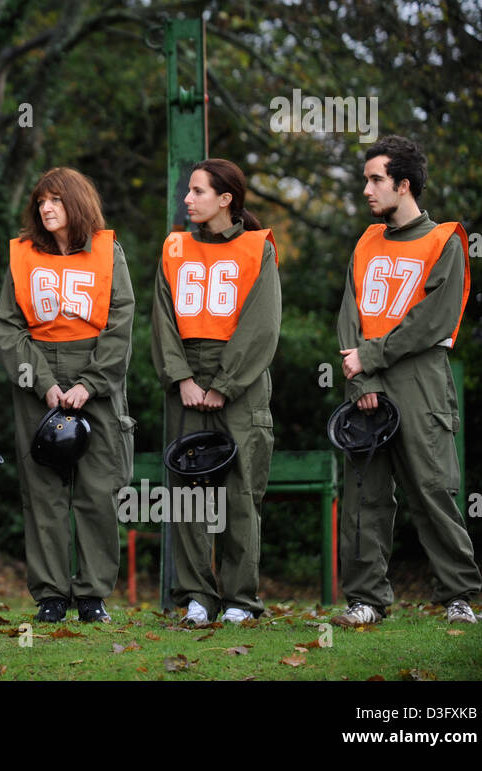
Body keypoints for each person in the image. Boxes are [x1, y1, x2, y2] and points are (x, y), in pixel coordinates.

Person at [334, 135, 479, 626]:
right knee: (364, 496)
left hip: (419, 378)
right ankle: (366, 599)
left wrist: (371, 357)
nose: (367, 190)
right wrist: (361, 381)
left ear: (404, 183)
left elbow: (431, 321)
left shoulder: (446, 240)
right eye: (366, 179)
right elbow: (348, 316)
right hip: (366, 380)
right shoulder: (365, 240)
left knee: (433, 488)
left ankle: (457, 596)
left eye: (376, 180)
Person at [0, 168, 135, 624]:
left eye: (56, 200)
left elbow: (121, 322)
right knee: (43, 492)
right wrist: (43, 383)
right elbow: (9, 326)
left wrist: (88, 384)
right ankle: (51, 594)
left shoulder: (108, 252)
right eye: (41, 201)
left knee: (97, 490)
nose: (47, 208)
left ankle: (92, 595)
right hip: (38, 376)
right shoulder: (23, 256)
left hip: (95, 374)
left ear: (77, 202)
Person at [150, 159, 281, 625]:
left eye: (198, 191)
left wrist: (225, 385)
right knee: (186, 491)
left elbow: (262, 326)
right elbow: (162, 319)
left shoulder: (256, 248)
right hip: (184, 380)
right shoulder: (175, 248)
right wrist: (181, 378)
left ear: (226, 199)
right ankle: (197, 597)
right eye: (189, 190)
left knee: (239, 491)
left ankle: (241, 599)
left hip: (240, 385)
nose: (188, 199)